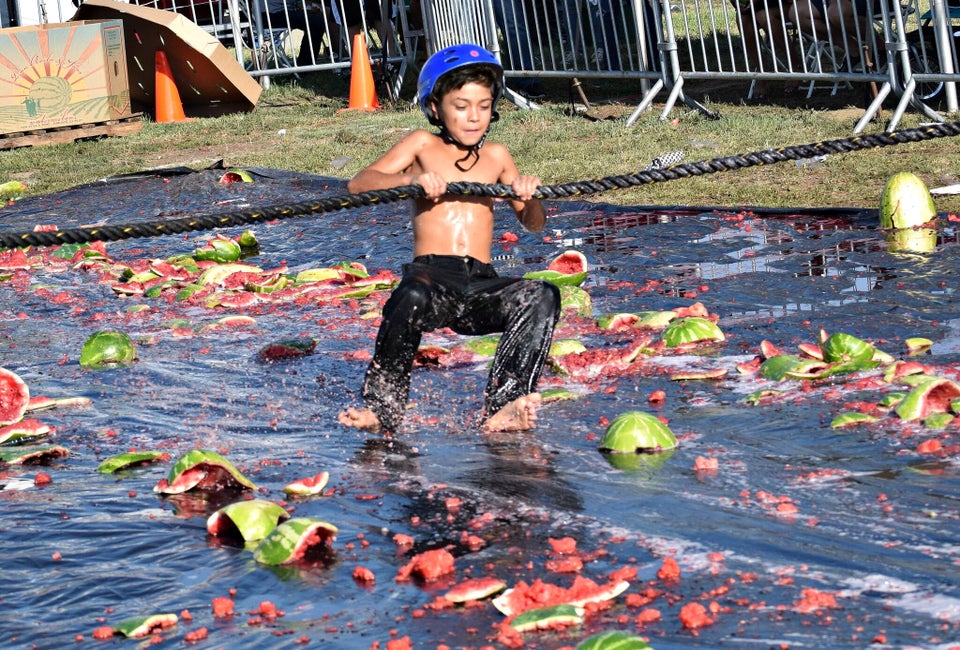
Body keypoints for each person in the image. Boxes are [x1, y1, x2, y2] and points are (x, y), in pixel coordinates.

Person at [338, 44, 561, 434]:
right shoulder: (422, 145)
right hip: (433, 277)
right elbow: (360, 183)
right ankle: (383, 405)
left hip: (481, 284)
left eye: (484, 105)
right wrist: (411, 180)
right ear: (435, 107)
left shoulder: (497, 156)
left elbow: (534, 224)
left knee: (542, 294)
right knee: (411, 296)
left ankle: (504, 404)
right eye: (461, 105)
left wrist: (530, 196)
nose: (473, 116)